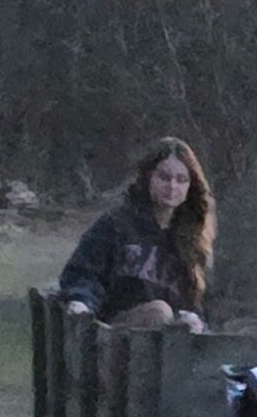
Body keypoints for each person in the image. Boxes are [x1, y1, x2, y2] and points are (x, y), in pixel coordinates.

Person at [58, 139, 215, 331]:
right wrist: (81, 302)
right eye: (164, 177)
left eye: (181, 180)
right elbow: (83, 274)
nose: (172, 186)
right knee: (160, 311)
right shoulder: (116, 225)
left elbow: (199, 304)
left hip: (171, 342)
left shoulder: (194, 241)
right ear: (149, 176)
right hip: (112, 335)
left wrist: (196, 322)